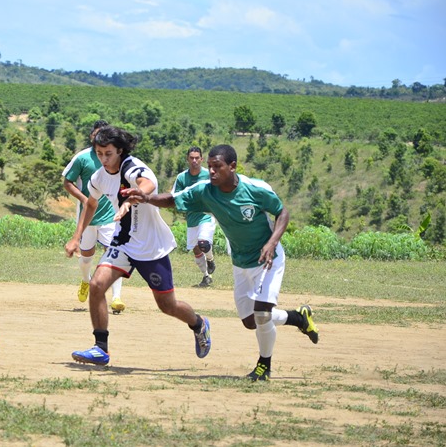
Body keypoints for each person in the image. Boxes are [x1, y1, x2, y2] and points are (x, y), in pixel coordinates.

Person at [122, 144, 319, 381]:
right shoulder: (206, 191)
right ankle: (298, 317)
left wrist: (272, 243)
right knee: (250, 321)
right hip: (240, 261)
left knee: (262, 313)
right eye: (210, 167)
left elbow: (282, 212)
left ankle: (264, 366)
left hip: (268, 259)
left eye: (217, 167)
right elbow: (173, 199)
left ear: (232, 166)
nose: (212, 172)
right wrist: (146, 198)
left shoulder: (255, 189)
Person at [64, 126, 211, 366]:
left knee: (167, 305)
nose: (103, 159)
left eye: (108, 153)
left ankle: (199, 323)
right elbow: (90, 204)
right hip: (123, 242)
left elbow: (148, 184)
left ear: (120, 151)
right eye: (99, 153)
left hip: (150, 247)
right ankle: (100, 348)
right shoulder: (99, 176)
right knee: (97, 285)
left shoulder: (132, 167)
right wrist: (76, 236)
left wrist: (136, 195)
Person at [62, 120, 125, 313]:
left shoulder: (115, 159)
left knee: (115, 255)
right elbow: (67, 181)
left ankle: (116, 298)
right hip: (87, 219)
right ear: (92, 137)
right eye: (98, 136)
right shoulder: (82, 158)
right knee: (86, 258)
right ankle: (85, 281)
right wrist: (83, 199)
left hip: (110, 217)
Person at [172, 146, 217, 288]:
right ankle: (206, 276)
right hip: (191, 218)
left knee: (203, 243)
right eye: (191, 158)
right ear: (187, 159)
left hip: (207, 215)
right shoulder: (181, 177)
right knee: (196, 249)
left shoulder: (208, 175)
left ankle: (210, 259)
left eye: (197, 158)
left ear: (202, 159)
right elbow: (175, 195)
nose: (194, 161)